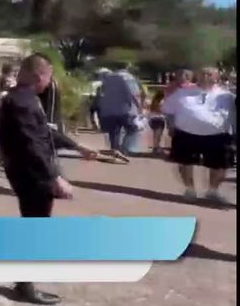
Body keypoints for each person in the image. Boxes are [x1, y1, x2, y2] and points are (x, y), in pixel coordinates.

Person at [0, 53, 74, 305]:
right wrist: (55, 177)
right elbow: (33, 144)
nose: (48, 82)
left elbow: (44, 134)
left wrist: (78, 147)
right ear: (39, 75)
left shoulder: (25, 99)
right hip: (31, 175)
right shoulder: (22, 101)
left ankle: (24, 281)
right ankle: (25, 285)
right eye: (48, 77)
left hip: (30, 172)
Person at [161, 67, 235, 203]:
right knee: (185, 163)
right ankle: (190, 190)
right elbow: (168, 110)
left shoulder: (227, 96)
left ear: (216, 78)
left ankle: (213, 191)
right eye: (203, 74)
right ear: (197, 76)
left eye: (209, 74)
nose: (205, 76)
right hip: (186, 133)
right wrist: (171, 126)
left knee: (219, 165)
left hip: (217, 135)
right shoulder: (182, 93)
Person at [96, 64, 143, 159]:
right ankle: (124, 148)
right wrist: (138, 106)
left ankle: (115, 150)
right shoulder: (124, 78)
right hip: (123, 110)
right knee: (133, 128)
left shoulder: (105, 81)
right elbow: (130, 94)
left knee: (114, 132)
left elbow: (100, 96)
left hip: (108, 111)